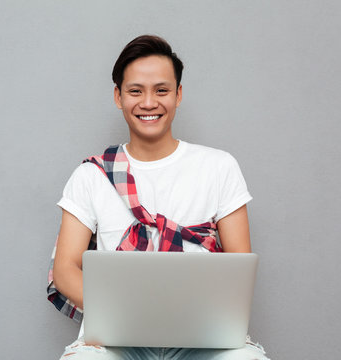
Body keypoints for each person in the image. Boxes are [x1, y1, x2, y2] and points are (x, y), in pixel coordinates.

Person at [48, 35, 270, 359]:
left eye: (161, 90)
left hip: (203, 338)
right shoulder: (92, 176)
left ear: (178, 95)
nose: (149, 102)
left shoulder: (219, 167)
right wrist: (130, 312)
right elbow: (65, 269)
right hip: (115, 340)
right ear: (118, 96)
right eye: (135, 91)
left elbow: (239, 268)